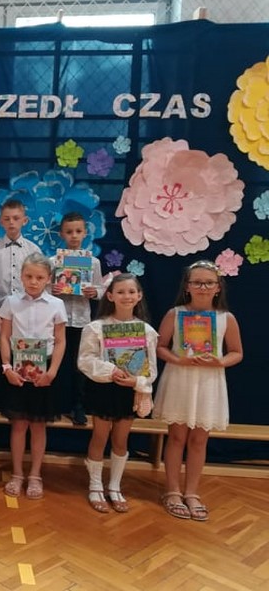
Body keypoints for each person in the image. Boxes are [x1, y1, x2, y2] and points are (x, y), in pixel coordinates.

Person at [153, 260, 243, 521]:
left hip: (209, 382)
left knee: (199, 440)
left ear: (218, 287)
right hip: (180, 378)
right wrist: (178, 359)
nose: (203, 287)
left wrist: (219, 362)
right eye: (197, 282)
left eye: (209, 283)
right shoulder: (176, 314)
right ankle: (172, 491)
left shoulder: (226, 318)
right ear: (187, 286)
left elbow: (237, 352)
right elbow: (160, 346)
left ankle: (191, 493)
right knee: (176, 437)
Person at [77, 273, 158, 513]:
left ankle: (114, 486)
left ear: (139, 296)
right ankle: (95, 486)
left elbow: (151, 370)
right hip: (103, 389)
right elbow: (85, 360)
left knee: (121, 440)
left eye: (131, 292)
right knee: (100, 437)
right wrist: (110, 370)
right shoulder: (96, 328)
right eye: (120, 292)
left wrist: (137, 381)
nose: (126, 296)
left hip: (128, 391)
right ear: (110, 295)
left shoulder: (146, 331)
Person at [0, 253, 66, 499]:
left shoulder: (57, 304)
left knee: (38, 425)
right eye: (29, 276)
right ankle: (17, 474)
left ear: (48, 278)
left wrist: (52, 373)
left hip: (43, 371)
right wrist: (7, 368)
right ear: (21, 276)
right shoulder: (11, 302)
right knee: (18, 425)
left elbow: (60, 341)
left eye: (39, 277)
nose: (33, 281)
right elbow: (4, 337)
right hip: (17, 369)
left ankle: (35, 475)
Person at [50, 212, 103, 425]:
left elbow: (100, 288)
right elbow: (43, 288)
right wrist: (52, 289)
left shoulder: (93, 262)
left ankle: (78, 406)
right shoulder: (53, 261)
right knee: (57, 362)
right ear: (62, 234)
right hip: (58, 320)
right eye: (69, 231)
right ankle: (55, 405)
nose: (74, 235)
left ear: (85, 233)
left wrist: (94, 292)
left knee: (79, 365)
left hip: (81, 320)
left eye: (78, 231)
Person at [0, 198, 41, 311]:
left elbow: (39, 278)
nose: (11, 222)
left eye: (16, 218)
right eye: (7, 219)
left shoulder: (33, 250)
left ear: (25, 221)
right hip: (0, 308)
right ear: (1, 221)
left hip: (27, 308)